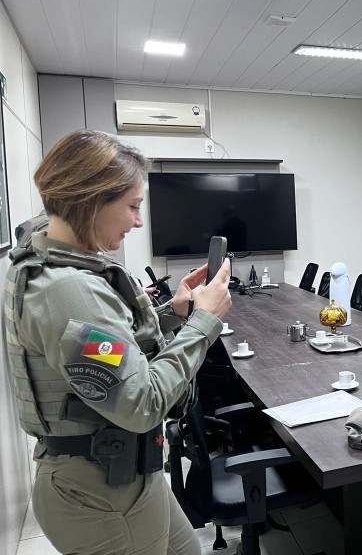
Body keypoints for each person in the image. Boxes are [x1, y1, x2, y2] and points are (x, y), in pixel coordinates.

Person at [3, 130, 232, 555]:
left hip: (124, 475)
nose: (139, 221)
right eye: (132, 206)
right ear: (91, 199)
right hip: (101, 495)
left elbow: (116, 349)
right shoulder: (68, 292)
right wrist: (204, 322)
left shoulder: (48, 261)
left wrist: (174, 314)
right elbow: (141, 404)